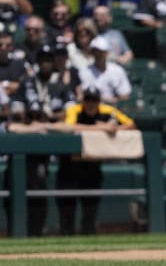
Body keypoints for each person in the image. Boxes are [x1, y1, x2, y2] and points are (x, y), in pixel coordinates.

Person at [57, 86, 135, 234]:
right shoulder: (75, 109)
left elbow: (131, 124)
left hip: (92, 166)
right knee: (67, 208)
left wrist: (113, 129)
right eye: (88, 99)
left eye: (94, 100)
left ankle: (88, 237)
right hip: (70, 166)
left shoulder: (107, 110)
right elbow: (69, 128)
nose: (91, 103)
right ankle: (66, 238)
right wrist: (101, 128)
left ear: (99, 101)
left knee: (90, 208)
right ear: (83, 100)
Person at [78, 36, 132, 103]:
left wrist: (113, 101)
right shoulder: (84, 71)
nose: (97, 54)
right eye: (95, 51)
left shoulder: (117, 70)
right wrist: (104, 100)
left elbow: (125, 96)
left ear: (107, 53)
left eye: (101, 52)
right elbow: (80, 96)